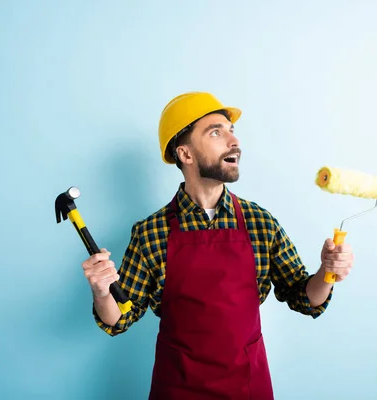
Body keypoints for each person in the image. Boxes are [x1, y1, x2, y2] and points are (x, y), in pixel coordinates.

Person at [81, 92, 355, 399]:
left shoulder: (260, 223)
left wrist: (327, 272)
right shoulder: (151, 232)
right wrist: (102, 291)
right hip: (178, 389)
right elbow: (119, 317)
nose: (233, 141)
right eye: (216, 132)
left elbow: (304, 297)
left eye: (232, 131)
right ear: (185, 154)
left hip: (248, 387)